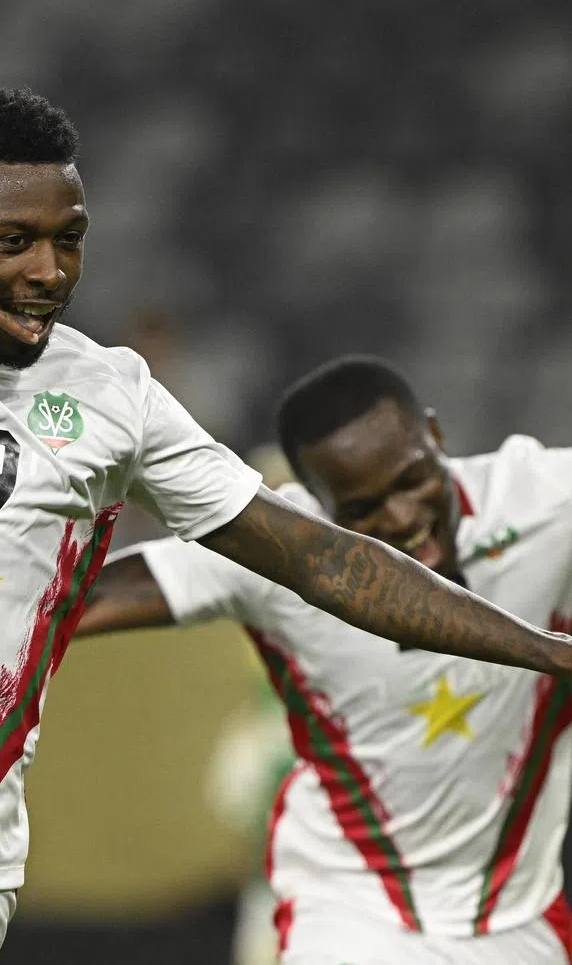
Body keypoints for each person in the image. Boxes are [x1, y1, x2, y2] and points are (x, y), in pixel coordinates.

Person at [0, 88, 572, 965]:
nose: (49, 272)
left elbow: (322, 560)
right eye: (13, 242)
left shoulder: (113, 398)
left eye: (70, 240)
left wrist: (545, 652)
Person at [76, 355, 572, 964]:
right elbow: (77, 597)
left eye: (413, 479)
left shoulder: (541, 499)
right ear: (313, 499)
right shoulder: (277, 548)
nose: (404, 519)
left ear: (436, 437)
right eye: (363, 510)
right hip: (349, 906)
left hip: (516, 918)